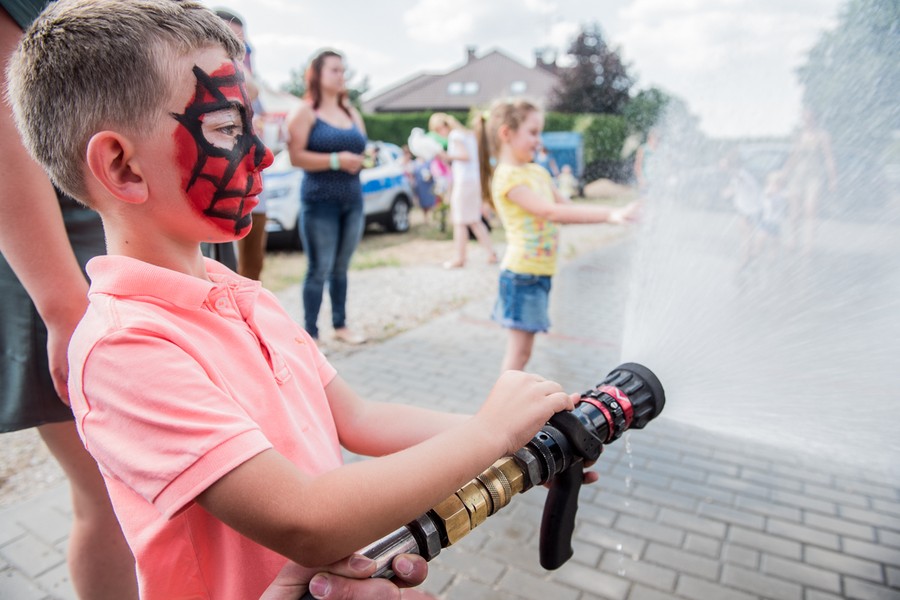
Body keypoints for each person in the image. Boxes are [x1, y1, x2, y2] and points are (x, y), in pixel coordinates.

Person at [8, 2, 590, 598]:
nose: (262, 154)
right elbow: (305, 520)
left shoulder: (242, 295)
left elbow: (357, 419)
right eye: (227, 129)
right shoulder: (122, 347)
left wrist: (514, 436)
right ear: (122, 167)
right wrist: (487, 436)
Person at [0, 2, 139, 597]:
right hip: (68, 254)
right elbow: (6, 131)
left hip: (135, 236)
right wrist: (65, 308)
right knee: (110, 492)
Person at [475, 99, 638, 372]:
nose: (539, 140)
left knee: (524, 353)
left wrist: (616, 213)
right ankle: (506, 398)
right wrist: (611, 214)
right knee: (518, 354)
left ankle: (511, 394)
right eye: (533, 132)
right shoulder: (507, 178)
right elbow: (550, 212)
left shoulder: (537, 172)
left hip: (540, 273)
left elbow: (568, 209)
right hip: (522, 276)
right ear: (506, 133)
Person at [284, 49, 368, 345]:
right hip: (320, 202)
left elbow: (362, 147)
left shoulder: (351, 112)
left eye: (343, 70)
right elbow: (295, 156)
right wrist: (336, 160)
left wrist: (364, 159)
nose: (341, 75)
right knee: (319, 268)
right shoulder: (305, 111)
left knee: (341, 267)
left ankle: (340, 325)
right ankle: (311, 334)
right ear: (317, 74)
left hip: (353, 199)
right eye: (334, 69)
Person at [215, 7, 269, 280]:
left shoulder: (249, 82)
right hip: (221, 184)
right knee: (221, 268)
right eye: (231, 41)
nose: (240, 52)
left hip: (251, 183)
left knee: (252, 265)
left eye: (243, 45)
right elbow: (253, 89)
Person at [428, 113, 497, 269]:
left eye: (438, 130)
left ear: (443, 126)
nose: (440, 134)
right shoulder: (467, 134)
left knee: (459, 220)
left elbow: (465, 156)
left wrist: (445, 156)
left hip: (464, 182)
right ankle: (491, 253)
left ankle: (460, 258)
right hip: (473, 181)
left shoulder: (455, 135)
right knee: (474, 220)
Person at [782, 107, 837, 254]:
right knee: (794, 211)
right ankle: (793, 239)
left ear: (815, 119)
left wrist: (833, 179)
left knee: (810, 209)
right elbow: (793, 156)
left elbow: (828, 157)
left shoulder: (822, 136)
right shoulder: (799, 136)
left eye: (809, 118)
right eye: (804, 118)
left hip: (814, 176)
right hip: (797, 175)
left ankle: (809, 244)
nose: (806, 121)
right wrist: (784, 174)